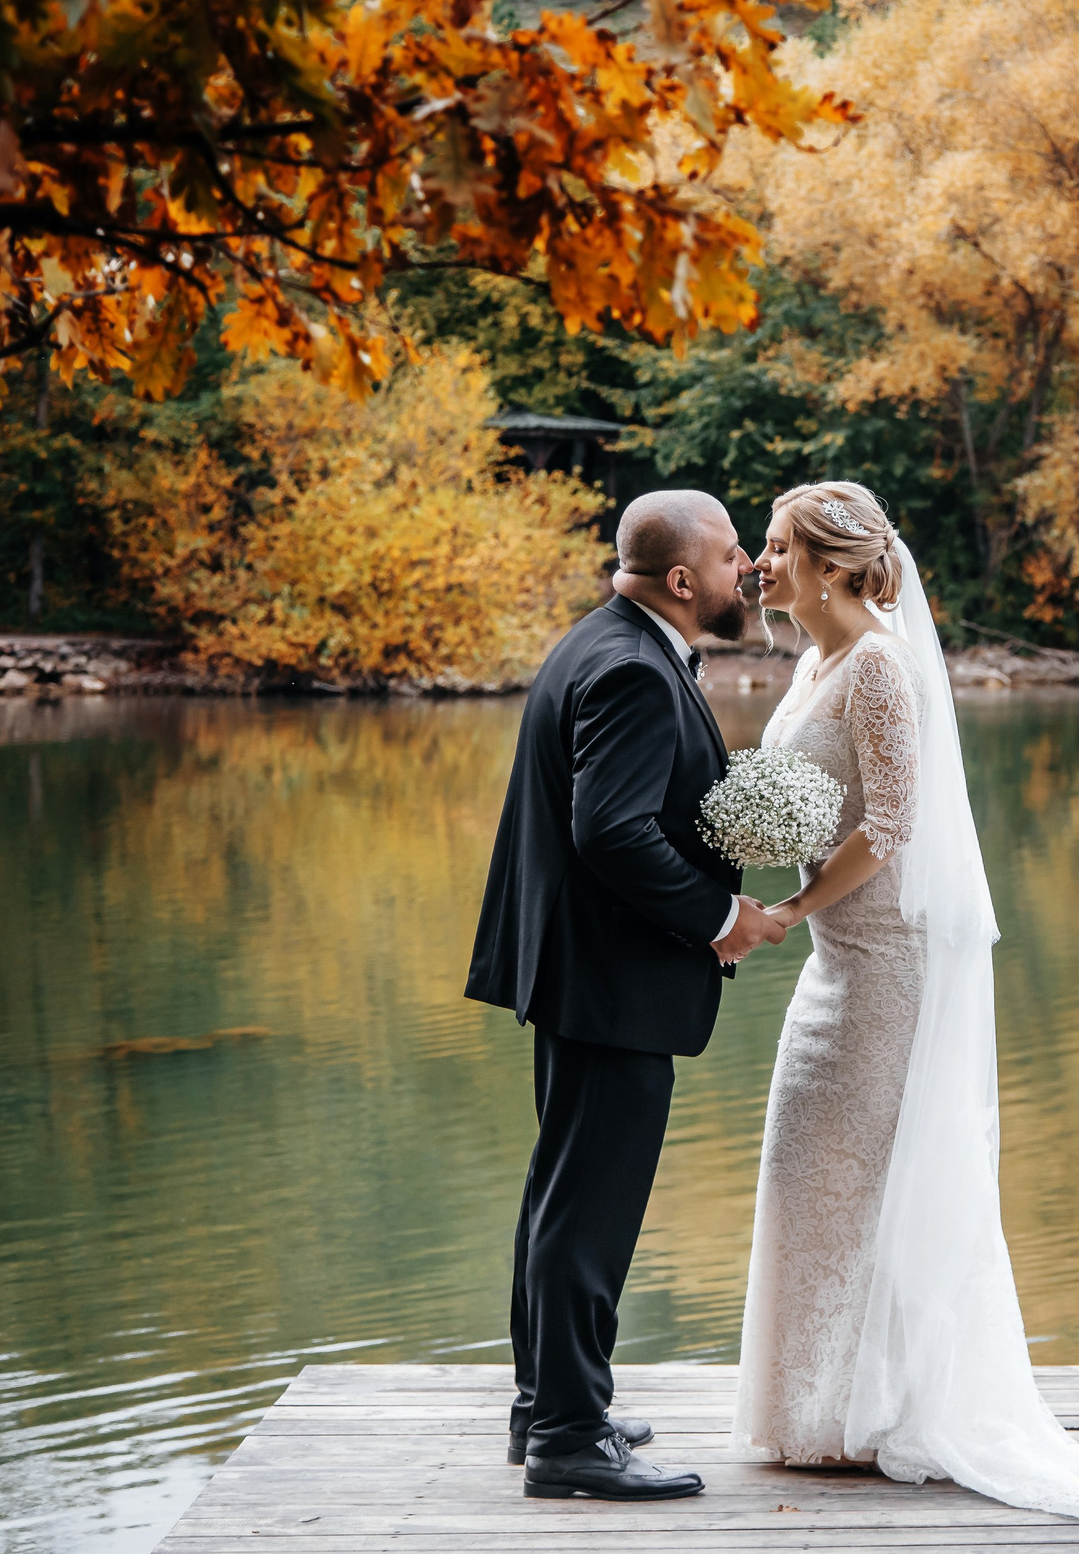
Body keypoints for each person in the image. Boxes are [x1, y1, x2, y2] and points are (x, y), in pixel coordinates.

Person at [730, 480, 1079, 1533]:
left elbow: (892, 824)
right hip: (830, 965)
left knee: (869, 1181)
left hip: (882, 967)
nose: (761, 563)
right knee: (809, 1175)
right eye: (763, 545)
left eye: (778, 546)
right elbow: (818, 803)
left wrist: (790, 907)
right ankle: (812, 1409)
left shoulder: (879, 666)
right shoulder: (810, 663)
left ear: (834, 566)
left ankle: (875, 1413)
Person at [465, 490, 789, 1503]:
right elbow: (610, 830)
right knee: (589, 1213)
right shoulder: (633, 670)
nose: (749, 569)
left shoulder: (600, 641)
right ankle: (569, 1439)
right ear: (683, 579)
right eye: (733, 556)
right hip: (611, 979)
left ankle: (546, 1405)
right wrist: (719, 916)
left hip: (579, 971)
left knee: (561, 1194)